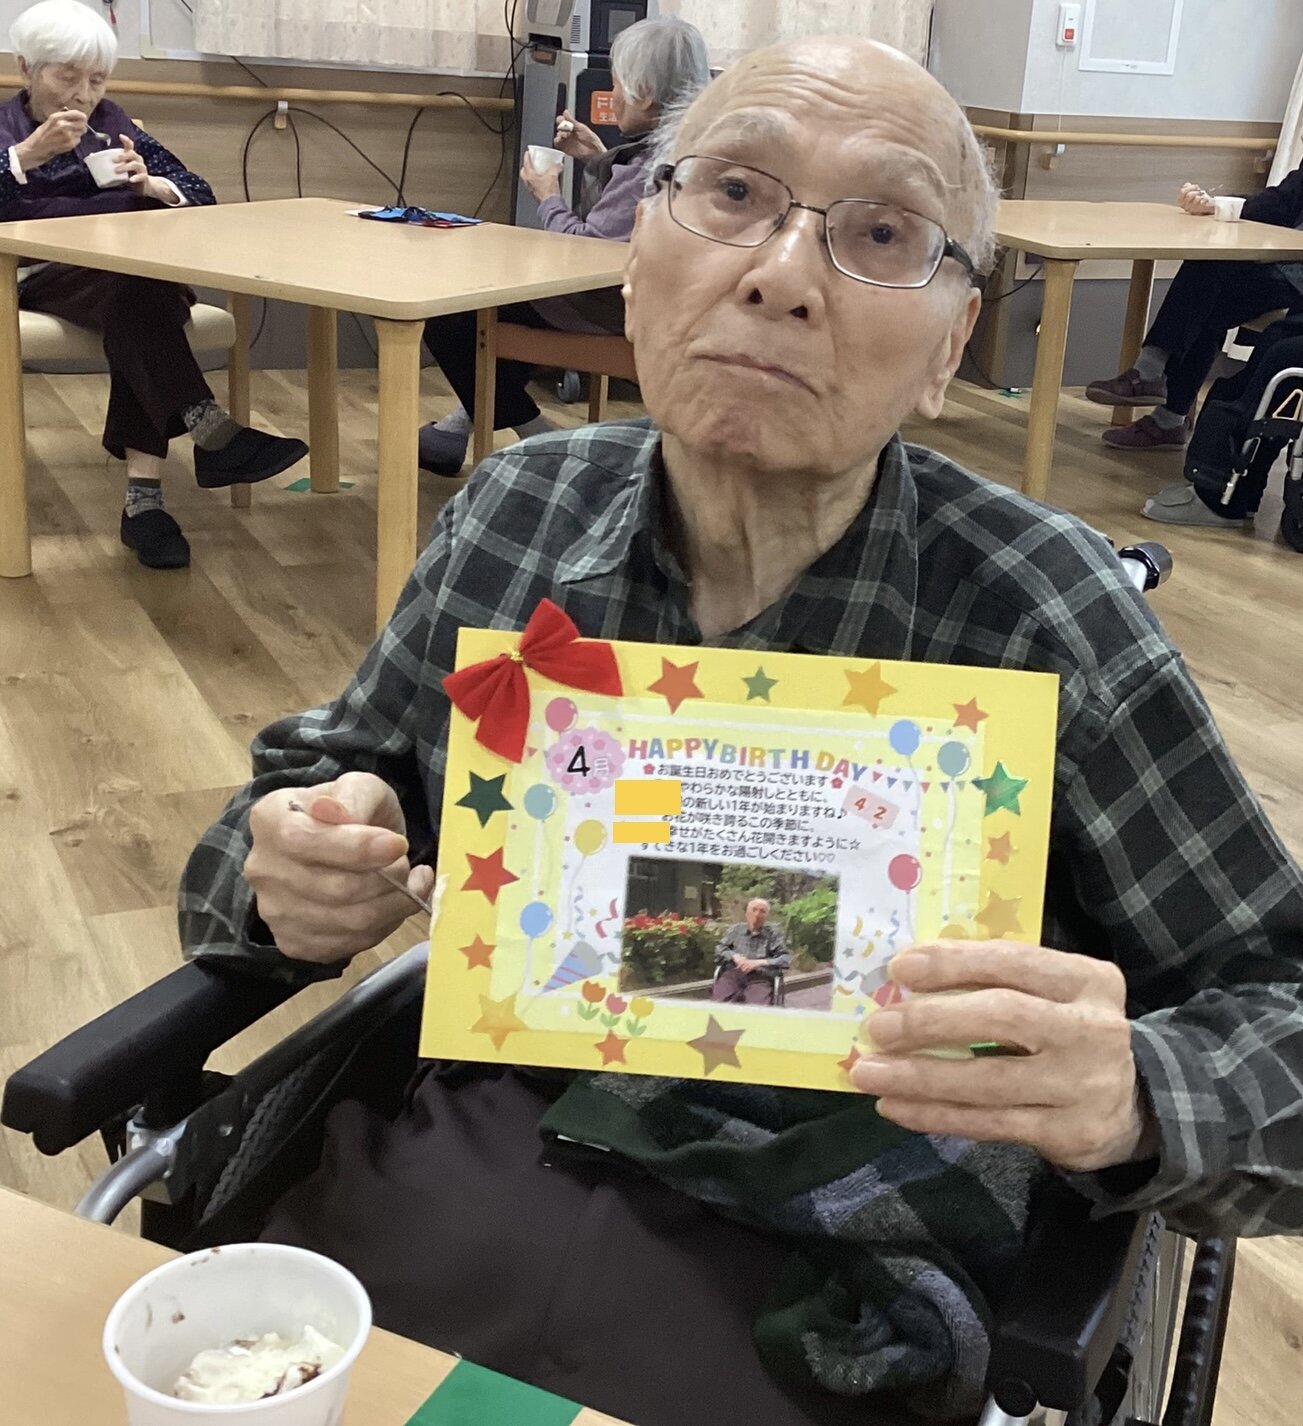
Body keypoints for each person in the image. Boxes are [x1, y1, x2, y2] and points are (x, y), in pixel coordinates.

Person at [180, 36, 1303, 1426]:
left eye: (879, 234)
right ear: (634, 257)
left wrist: (1134, 1088)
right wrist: (288, 870)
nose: (778, 273)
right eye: (730, 193)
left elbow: (1280, 999)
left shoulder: (1044, 611)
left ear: (951, 344)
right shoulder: (519, 513)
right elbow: (308, 792)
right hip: (489, 1151)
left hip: (849, 1244)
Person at [1, 0, 308, 569]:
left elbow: (201, 192)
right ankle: (197, 446)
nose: (83, 95)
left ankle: (158, 492)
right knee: (143, 294)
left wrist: (152, 184)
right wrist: (24, 157)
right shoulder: (5, 128)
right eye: (67, 76)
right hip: (39, 272)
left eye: (97, 80)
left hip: (126, 273)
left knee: (138, 297)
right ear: (27, 68)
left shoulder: (115, 123)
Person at [416, 15, 709, 475]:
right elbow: (625, 220)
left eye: (617, 85)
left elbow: (590, 251)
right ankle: (452, 432)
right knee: (495, 313)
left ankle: (542, 439)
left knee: (451, 316)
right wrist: (597, 158)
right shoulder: (690, 150)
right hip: (664, 301)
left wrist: (547, 195)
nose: (612, 95)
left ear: (646, 93)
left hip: (609, 305)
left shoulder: (649, 169)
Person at [1086, 175, 1303, 455]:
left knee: (1208, 295)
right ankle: (1161, 402)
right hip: (1282, 263)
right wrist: (1216, 205)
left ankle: (1153, 383)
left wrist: (1220, 207)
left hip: (1295, 279)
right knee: (1209, 278)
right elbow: (1284, 201)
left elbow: (1283, 206)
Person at [712, 898, 790, 1003]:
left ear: (766, 916)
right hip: (733, 974)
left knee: (757, 1007)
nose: (757, 914)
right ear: (747, 913)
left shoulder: (773, 935)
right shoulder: (735, 930)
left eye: (762, 911)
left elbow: (785, 959)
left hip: (760, 978)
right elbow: (719, 949)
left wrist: (759, 963)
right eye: (754, 910)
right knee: (719, 1003)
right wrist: (734, 956)